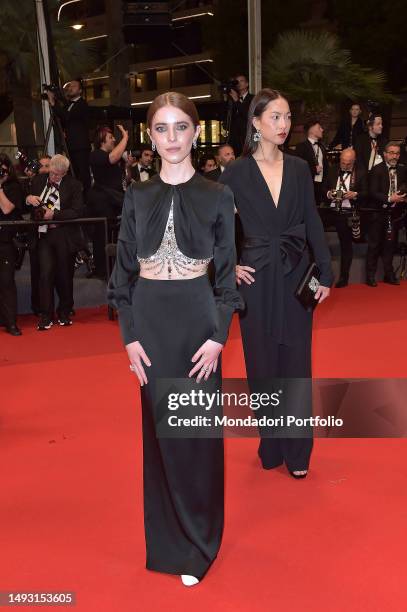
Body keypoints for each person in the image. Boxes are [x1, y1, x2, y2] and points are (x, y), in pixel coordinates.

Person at [108, 91, 242, 586]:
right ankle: (168, 543)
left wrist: (218, 338)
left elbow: (226, 280)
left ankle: (201, 541)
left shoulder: (217, 194)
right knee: (161, 436)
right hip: (150, 324)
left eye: (180, 127)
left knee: (196, 437)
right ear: (151, 135)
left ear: (194, 131)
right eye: (161, 128)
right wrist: (129, 337)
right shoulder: (137, 195)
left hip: (197, 324)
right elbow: (121, 275)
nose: (171, 138)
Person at [220, 89, 333, 478]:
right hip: (254, 275)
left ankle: (299, 451)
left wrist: (325, 271)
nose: (284, 125)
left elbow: (312, 220)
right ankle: (271, 442)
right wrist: (228, 265)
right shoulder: (234, 172)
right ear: (256, 123)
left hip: (296, 273)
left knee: (297, 366)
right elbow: (216, 227)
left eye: (287, 118)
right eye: (275, 118)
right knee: (263, 365)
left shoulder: (300, 168)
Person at [26, 154, 84, 329]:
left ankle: (64, 312)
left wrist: (55, 215)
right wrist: (28, 199)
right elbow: (24, 204)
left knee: (65, 275)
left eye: (58, 175)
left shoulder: (74, 185)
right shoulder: (38, 181)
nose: (53, 177)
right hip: (43, 235)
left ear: (65, 173)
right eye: (52, 173)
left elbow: (77, 211)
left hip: (63, 234)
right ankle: (45, 315)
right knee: (45, 275)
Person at [88, 124, 128, 278]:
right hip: (101, 203)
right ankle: (103, 271)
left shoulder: (110, 157)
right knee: (101, 237)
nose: (114, 140)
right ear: (102, 141)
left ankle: (113, 269)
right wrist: (125, 137)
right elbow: (112, 158)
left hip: (113, 201)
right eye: (111, 138)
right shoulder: (96, 154)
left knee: (112, 236)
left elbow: (122, 179)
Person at [324, 148, 368, 287]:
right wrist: (329, 194)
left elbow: (367, 193)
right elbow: (322, 188)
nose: (345, 165)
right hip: (330, 211)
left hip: (348, 212)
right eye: (343, 162)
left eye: (348, 163)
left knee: (346, 245)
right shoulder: (332, 169)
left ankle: (344, 277)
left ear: (354, 161)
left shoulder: (361, 172)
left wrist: (354, 194)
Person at [366, 142, 407, 286]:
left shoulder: (403, 170)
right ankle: (370, 276)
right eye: (391, 153)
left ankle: (389, 275)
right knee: (374, 245)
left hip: (395, 215)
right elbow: (372, 192)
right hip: (378, 214)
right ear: (384, 154)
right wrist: (390, 198)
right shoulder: (376, 170)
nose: (394, 156)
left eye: (397, 153)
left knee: (390, 245)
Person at [47, 78, 91, 190]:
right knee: (72, 173)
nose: (70, 88)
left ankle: (86, 200)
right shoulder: (68, 105)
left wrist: (53, 103)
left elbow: (66, 116)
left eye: (74, 86)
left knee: (83, 174)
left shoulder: (82, 104)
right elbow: (62, 119)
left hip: (81, 146)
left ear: (80, 91)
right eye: (69, 86)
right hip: (70, 146)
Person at [0, 154, 24, 336]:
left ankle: (11, 323)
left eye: (3, 169)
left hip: (6, 242)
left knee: (7, 282)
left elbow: (7, 208)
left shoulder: (14, 188)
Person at [295, 119, 329, 206]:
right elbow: (297, 168)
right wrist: (313, 169)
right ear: (312, 129)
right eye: (319, 127)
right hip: (308, 186)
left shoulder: (322, 147)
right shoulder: (301, 147)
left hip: (322, 186)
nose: (322, 130)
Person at [227, 74, 254, 157]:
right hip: (234, 140)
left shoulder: (253, 98)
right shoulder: (231, 100)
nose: (239, 83)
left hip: (247, 139)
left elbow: (248, 115)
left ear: (247, 84)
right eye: (237, 81)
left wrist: (237, 101)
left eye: (241, 81)